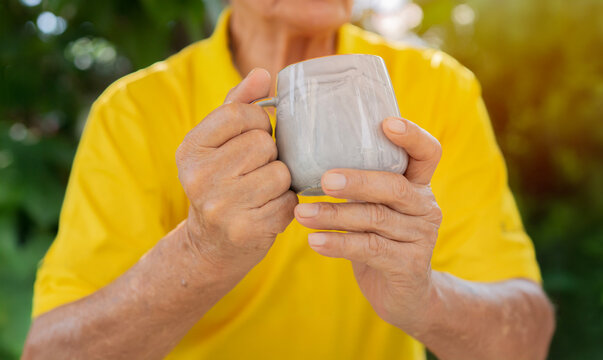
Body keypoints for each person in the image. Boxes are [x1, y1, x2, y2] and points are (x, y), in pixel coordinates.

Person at [22, 1, 555, 359]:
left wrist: (424, 298)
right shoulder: (134, 111)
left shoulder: (440, 88)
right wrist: (200, 253)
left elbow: (527, 337)